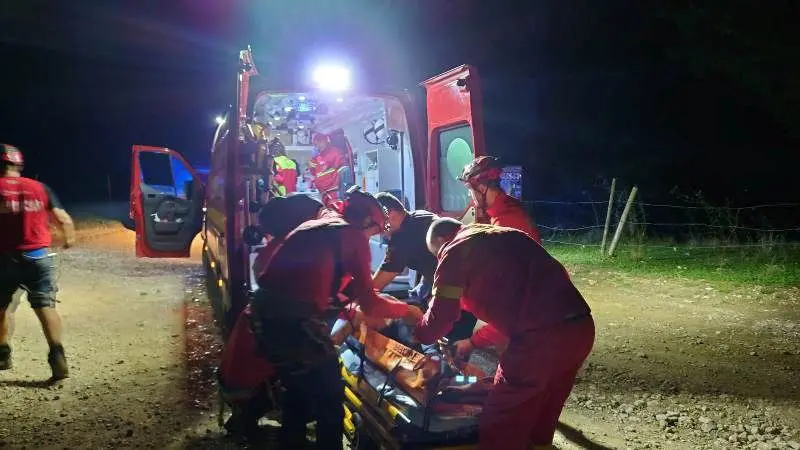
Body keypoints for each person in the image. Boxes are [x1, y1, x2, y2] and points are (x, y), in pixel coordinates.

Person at [250, 186, 423, 449]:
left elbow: (342, 287)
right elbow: (369, 302)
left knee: (299, 387)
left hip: (264, 312)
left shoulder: (322, 224)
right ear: (366, 221)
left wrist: (382, 303)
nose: (372, 237)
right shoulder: (352, 237)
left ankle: (291, 441)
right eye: (374, 231)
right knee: (329, 393)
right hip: (293, 319)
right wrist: (407, 311)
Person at [414, 218, 594, 450]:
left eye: (436, 254)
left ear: (441, 240)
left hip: (540, 340)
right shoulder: (506, 235)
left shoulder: (454, 250)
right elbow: (521, 309)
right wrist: (471, 342)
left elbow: (440, 318)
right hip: (580, 329)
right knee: (544, 408)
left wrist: (418, 333)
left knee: (501, 420)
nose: (438, 260)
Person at [219, 194, 324, 439]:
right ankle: (270, 421)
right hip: (262, 353)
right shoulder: (288, 251)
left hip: (251, 343)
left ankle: (252, 415)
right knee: (313, 380)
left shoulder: (274, 250)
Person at [0, 144, 75, 382]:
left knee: (2, 308)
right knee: (45, 306)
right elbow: (64, 219)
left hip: (5, 259)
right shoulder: (39, 187)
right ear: (19, 164)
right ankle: (57, 353)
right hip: (38, 257)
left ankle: (3, 353)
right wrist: (68, 240)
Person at [372, 192, 477, 342]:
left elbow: (377, 284)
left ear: (391, 214)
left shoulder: (402, 239)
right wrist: (423, 290)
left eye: (379, 223)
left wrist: (358, 299)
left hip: (458, 294)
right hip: (464, 283)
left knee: (449, 341)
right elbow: (430, 259)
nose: (379, 230)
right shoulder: (419, 216)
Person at [458, 156, 541, 243]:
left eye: (470, 189)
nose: (469, 194)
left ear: (482, 188)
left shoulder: (504, 221)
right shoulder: (506, 205)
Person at [309, 133, 347, 206]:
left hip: (333, 191)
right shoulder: (317, 157)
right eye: (315, 145)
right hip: (323, 193)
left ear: (325, 141)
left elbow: (341, 169)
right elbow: (313, 172)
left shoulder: (335, 153)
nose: (317, 147)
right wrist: (312, 160)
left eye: (319, 143)